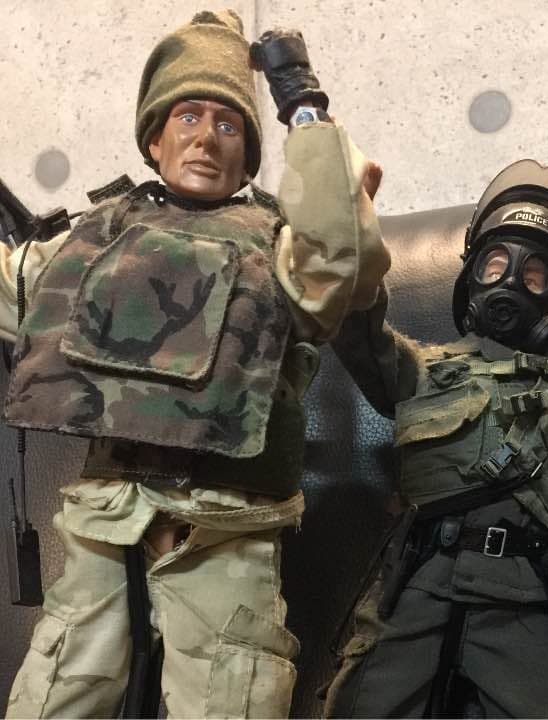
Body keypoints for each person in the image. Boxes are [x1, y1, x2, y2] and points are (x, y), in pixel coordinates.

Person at [1, 9, 388, 719]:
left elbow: (343, 261)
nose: (207, 138)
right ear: (154, 138)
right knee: (52, 699)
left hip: (223, 529)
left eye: (229, 125)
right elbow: (13, 288)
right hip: (105, 524)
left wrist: (303, 108)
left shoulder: (279, 245)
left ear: (249, 155)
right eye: (187, 117)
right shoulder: (94, 238)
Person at [324, 159, 548, 718]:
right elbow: (359, 329)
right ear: (470, 279)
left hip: (517, 594)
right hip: (417, 584)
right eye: (495, 264)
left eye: (534, 272)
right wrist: (354, 238)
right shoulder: (422, 372)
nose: (512, 281)